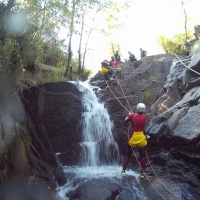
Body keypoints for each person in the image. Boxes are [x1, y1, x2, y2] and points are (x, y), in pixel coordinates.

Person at [121, 103, 147, 179]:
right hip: (141, 137)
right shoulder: (145, 117)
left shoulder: (132, 115)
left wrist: (129, 115)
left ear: (137, 108)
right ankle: (142, 173)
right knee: (143, 156)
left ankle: (123, 170)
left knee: (128, 154)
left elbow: (126, 120)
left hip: (134, 137)